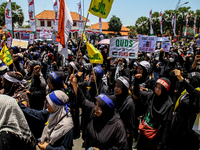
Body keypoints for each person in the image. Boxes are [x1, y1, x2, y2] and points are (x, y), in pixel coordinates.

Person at [70, 74, 129, 150]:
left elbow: (122, 148)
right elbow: (83, 100)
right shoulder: (94, 112)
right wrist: (74, 84)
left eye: (100, 106)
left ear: (107, 109)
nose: (96, 108)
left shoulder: (118, 126)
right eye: (96, 105)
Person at [134, 75, 173, 150]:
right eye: (156, 87)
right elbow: (137, 94)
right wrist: (136, 81)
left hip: (155, 137)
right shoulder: (152, 95)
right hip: (145, 132)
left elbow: (166, 126)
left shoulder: (168, 105)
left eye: (159, 88)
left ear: (164, 90)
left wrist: (161, 143)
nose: (157, 90)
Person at [167, 69, 200, 150]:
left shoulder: (197, 94)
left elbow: (193, 92)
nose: (187, 80)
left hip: (187, 129)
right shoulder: (185, 92)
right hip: (178, 123)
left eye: (189, 79)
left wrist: (181, 79)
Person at [114, 76, 135, 150]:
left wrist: (126, 135)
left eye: (118, 87)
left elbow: (131, 123)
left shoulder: (129, 103)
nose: (115, 88)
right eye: (115, 86)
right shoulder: (116, 98)